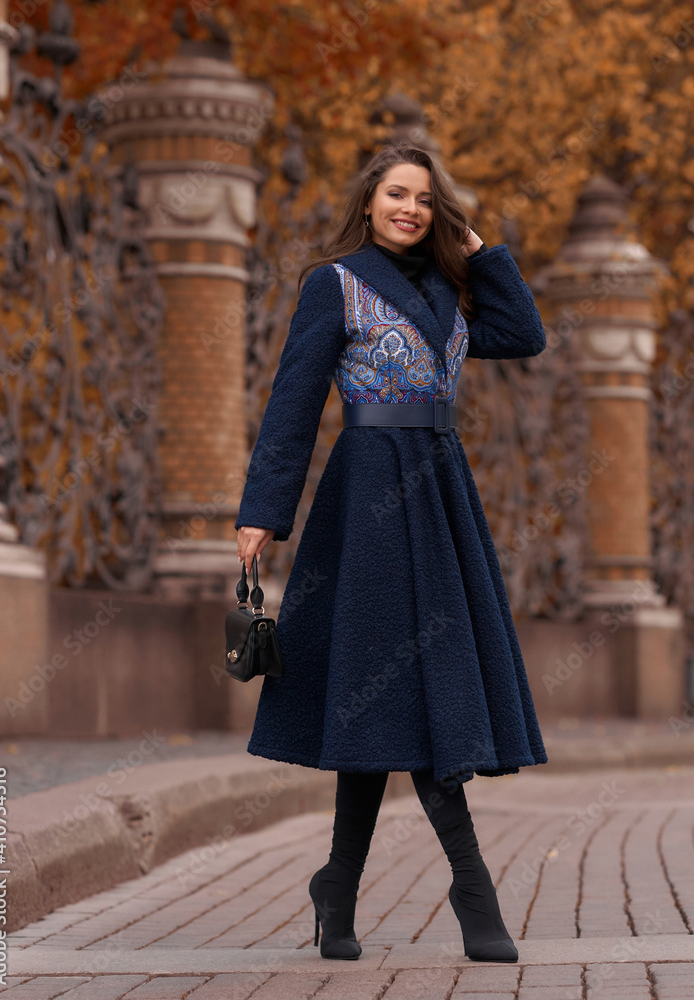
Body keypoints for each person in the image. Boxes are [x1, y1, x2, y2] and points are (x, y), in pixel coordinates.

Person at [235, 141, 548, 963]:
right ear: (369, 200)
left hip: (440, 493)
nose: (409, 209)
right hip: (368, 499)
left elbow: (525, 334)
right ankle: (471, 885)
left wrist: (480, 249)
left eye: (424, 199)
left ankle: (337, 884)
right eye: (396, 194)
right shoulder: (332, 283)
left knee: (385, 701)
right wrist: (263, 511)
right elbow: (294, 398)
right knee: (389, 689)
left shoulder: (453, 289)